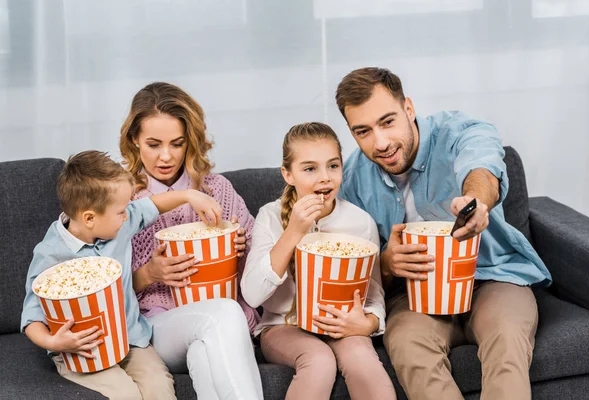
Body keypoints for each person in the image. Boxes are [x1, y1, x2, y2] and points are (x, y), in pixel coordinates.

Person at [335, 67, 552, 400]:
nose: (380, 143)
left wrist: (476, 201)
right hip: (414, 297)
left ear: (408, 108)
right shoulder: (351, 179)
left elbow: (481, 166)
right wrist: (387, 262)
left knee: (507, 342)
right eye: (363, 131)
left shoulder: (459, 131)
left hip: (492, 278)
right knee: (409, 348)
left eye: (388, 122)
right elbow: (355, 263)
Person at [21, 150, 224, 400]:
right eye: (121, 211)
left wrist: (190, 195)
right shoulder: (50, 254)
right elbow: (31, 317)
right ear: (89, 218)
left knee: (160, 387)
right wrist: (55, 344)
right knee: (126, 394)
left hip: (131, 340)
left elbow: (153, 205)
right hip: (84, 351)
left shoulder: (118, 224)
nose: (128, 214)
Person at [120, 82, 263, 400]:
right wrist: (149, 274)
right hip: (158, 325)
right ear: (134, 141)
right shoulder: (120, 198)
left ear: (191, 142)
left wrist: (242, 251)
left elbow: (263, 268)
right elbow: (99, 288)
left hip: (217, 330)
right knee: (225, 313)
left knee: (204, 354)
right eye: (154, 144)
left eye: (177, 143)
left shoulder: (218, 189)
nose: (166, 156)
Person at [241, 122, 396, 400]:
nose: (325, 177)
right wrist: (293, 233)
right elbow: (252, 295)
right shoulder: (271, 216)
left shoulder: (360, 222)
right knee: (319, 360)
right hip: (282, 327)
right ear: (288, 174)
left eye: (333, 166)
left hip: (342, 326)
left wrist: (368, 324)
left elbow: (373, 295)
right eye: (310, 168)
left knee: (364, 361)